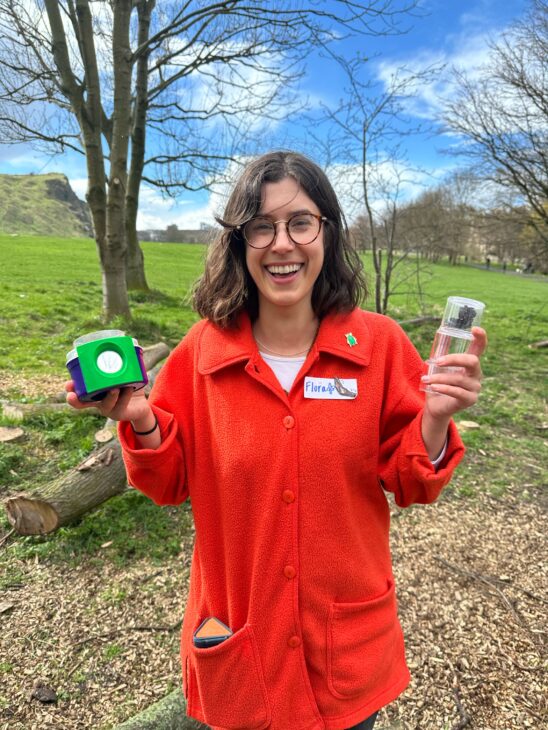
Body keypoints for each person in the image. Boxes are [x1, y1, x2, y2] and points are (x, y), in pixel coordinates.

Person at [66, 151, 486, 730]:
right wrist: (140, 421)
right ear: (239, 242)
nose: (282, 243)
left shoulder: (381, 347)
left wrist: (435, 420)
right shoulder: (202, 353)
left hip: (345, 652)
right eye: (261, 226)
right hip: (242, 642)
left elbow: (413, 483)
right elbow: (167, 483)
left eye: (301, 222)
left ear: (327, 233)